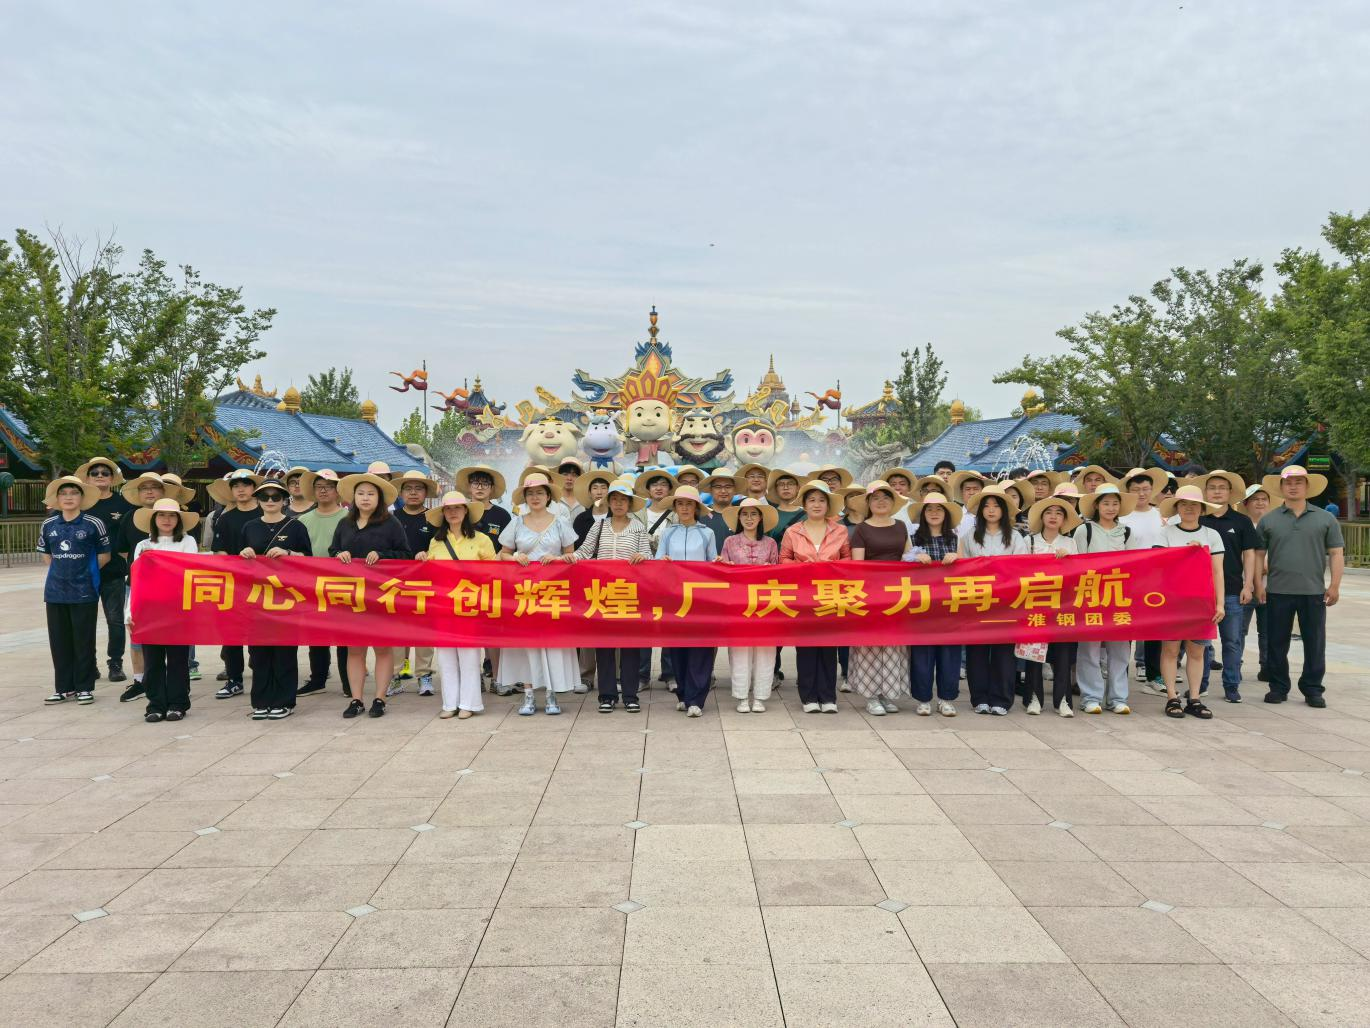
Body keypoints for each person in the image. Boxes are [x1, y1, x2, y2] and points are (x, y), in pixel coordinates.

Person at [1258, 465, 1344, 708]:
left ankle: (1313, 688)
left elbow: (1336, 553)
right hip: (1277, 591)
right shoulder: (1269, 520)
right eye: (1288, 483)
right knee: (1276, 642)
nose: (1293, 486)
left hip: (1313, 591)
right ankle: (1278, 687)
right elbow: (1258, 554)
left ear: (1307, 487)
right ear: (1282, 487)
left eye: (1298, 482)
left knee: (1315, 642)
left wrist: (1335, 585)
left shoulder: (1325, 518)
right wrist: (1257, 584)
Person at [497, 473, 579, 714]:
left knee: (552, 642)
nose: (535, 497)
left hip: (553, 591)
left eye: (540, 493)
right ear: (524, 497)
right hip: (524, 592)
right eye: (530, 493)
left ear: (548, 496)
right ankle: (529, 695)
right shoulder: (516, 522)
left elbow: (571, 557)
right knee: (527, 644)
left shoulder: (561, 522)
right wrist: (514, 556)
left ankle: (552, 694)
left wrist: (556, 559)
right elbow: (502, 553)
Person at [331, 472, 410, 718]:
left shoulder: (391, 524)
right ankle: (356, 699)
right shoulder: (345, 523)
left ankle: (380, 698)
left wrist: (383, 555)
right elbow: (333, 548)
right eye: (361, 494)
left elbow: (405, 555)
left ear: (380, 499)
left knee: (383, 649)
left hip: (380, 597)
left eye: (371, 494)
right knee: (355, 650)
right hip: (351, 597)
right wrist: (338, 554)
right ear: (353, 497)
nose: (365, 498)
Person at [572, 482, 652, 713]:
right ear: (608, 502)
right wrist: (562, 559)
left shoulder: (637, 527)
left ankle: (630, 695)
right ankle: (606, 695)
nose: (618, 503)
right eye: (614, 499)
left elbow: (648, 555)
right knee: (604, 645)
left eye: (623, 499)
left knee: (630, 646)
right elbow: (584, 552)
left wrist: (641, 556)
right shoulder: (599, 526)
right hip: (603, 593)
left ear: (629, 504)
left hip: (629, 593)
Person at [416, 490, 496, 719]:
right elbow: (429, 573)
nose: (453, 513)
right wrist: (422, 558)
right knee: (446, 656)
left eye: (458, 508)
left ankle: (469, 703)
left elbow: (494, 572)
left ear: (466, 512)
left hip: (470, 604)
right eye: (448, 509)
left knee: (469, 656)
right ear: (443, 513)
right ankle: (450, 703)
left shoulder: (482, 539)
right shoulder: (435, 541)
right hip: (443, 605)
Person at [239, 481, 311, 720]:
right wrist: (245, 554)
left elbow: (309, 561)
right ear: (258, 500)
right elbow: (235, 562)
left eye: (276, 496)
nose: (270, 501)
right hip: (257, 599)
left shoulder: (296, 527)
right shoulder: (249, 526)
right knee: (258, 654)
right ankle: (260, 701)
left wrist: (289, 554)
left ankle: (284, 701)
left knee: (284, 653)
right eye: (265, 497)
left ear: (284, 500)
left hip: (287, 599)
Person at [39, 477, 111, 705]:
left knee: (83, 640)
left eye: (73, 493)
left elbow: (105, 555)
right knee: (59, 641)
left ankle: (84, 687)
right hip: (55, 592)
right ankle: (63, 688)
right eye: (64, 493)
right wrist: (63, 574)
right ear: (58, 499)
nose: (69, 497)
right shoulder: (48, 525)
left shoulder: (93, 523)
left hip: (84, 591)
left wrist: (83, 573)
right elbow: (47, 555)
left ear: (81, 498)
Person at [1155, 486, 1225, 720]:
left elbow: (1218, 572)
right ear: (1176, 508)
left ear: (1202, 509)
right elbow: (1158, 567)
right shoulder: (1165, 534)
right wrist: (1184, 554)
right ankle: (1172, 696)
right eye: (1183, 504)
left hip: (1201, 602)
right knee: (1171, 649)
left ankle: (1194, 698)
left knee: (1197, 651)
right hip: (1172, 600)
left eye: (1194, 504)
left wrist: (1220, 603)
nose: (1189, 508)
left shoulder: (1211, 535)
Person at [780, 481, 850, 713]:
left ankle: (828, 696)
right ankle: (809, 696)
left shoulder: (840, 530)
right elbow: (782, 561)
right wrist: (800, 565)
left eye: (821, 500)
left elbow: (849, 562)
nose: (817, 504)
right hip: (803, 597)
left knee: (829, 647)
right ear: (804, 504)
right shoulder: (793, 531)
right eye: (812, 500)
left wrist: (834, 566)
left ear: (828, 504)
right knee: (807, 648)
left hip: (831, 595)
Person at [128, 498, 199, 722]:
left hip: (177, 609)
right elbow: (136, 581)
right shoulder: (142, 545)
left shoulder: (187, 542)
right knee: (153, 660)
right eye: (161, 515)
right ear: (153, 519)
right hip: (149, 610)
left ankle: (178, 703)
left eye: (171, 516)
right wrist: (129, 613)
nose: (166, 520)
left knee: (178, 659)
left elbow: (189, 570)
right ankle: (155, 704)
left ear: (178, 520)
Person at [846, 481, 913, 716]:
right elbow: (858, 565)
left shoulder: (902, 526)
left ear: (893, 502)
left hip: (897, 594)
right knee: (870, 645)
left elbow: (908, 557)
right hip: (870, 594)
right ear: (868, 503)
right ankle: (872, 695)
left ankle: (890, 692)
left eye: (886, 497)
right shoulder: (862, 529)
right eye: (875, 498)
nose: (881, 501)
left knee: (894, 644)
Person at [959, 488, 1027, 714]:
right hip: (977, 601)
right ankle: (979, 698)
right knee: (977, 652)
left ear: (1004, 510)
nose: (991, 510)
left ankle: (1001, 699)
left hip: (1006, 603)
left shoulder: (1016, 537)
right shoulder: (970, 536)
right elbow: (963, 566)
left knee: (1003, 652)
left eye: (996, 505)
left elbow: (1023, 568)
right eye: (986, 506)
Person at [1196, 471, 1261, 704]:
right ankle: (1199, 684)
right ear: (1205, 492)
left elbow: (1250, 553)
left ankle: (1232, 685)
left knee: (1232, 641)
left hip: (1233, 590)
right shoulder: (1198, 519)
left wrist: (1249, 584)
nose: (1216, 491)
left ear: (1230, 492)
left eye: (1222, 487)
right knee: (1201, 642)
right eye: (1212, 487)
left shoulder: (1241, 521)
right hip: (1201, 592)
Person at [1072, 484, 1138, 715]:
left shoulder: (1128, 532)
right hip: (1090, 595)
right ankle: (1091, 697)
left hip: (1119, 597)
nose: (1111, 508)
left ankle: (1118, 697)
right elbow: (1075, 565)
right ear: (1096, 505)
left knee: (1119, 650)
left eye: (1115, 503)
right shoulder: (1084, 531)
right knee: (1089, 648)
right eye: (1106, 503)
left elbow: (1136, 565)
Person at [656, 485, 719, 717]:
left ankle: (697, 700)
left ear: (696, 508)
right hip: (674, 600)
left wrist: (719, 563)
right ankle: (683, 694)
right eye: (680, 504)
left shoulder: (707, 533)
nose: (684, 508)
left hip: (700, 600)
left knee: (700, 650)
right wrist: (662, 560)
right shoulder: (668, 533)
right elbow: (656, 561)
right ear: (675, 507)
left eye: (689, 504)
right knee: (678, 649)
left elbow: (713, 563)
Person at [717, 497, 780, 712]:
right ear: (739, 517)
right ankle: (742, 696)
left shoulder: (771, 543)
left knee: (765, 650)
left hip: (765, 604)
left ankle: (761, 696)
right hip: (738, 604)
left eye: (754, 514)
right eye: (745, 514)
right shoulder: (729, 542)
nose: (749, 518)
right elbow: (722, 571)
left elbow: (779, 573)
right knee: (739, 650)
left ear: (761, 517)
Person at [208, 469, 263, 699]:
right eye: (236, 485)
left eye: (246, 484)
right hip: (232, 584)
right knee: (231, 634)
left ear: (254, 488)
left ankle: (262, 676)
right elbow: (219, 552)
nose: (240, 489)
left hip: (261, 585)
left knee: (259, 634)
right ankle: (234, 679)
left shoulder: (265, 514)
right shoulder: (225, 519)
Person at [1024, 496, 1081, 717]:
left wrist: (1069, 560)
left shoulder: (1070, 543)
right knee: (1034, 654)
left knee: (1063, 654)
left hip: (1063, 606)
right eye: (1049, 512)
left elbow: (1080, 575)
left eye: (1059, 513)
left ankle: (1063, 700)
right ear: (1042, 517)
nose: (1053, 516)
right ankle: (1033, 698)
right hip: (1034, 605)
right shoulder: (1029, 541)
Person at [78, 458, 132, 685]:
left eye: (105, 473)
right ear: (88, 478)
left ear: (112, 478)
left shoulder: (123, 504)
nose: (100, 476)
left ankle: (115, 663)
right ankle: (89, 665)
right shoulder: (81, 504)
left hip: (114, 573)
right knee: (84, 621)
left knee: (115, 620)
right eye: (95, 473)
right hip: (84, 574)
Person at [296, 470, 350, 696]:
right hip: (312, 585)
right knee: (316, 635)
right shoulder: (302, 520)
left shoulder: (350, 520)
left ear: (338, 491)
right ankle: (317, 678)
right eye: (319, 485)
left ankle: (349, 682)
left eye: (329, 485)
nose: (324, 489)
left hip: (342, 585)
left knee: (345, 636)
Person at [907, 493, 961, 716]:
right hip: (922, 605)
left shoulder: (956, 539)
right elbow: (902, 562)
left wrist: (956, 558)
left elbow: (969, 569)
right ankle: (923, 699)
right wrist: (914, 558)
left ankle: (947, 698)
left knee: (949, 653)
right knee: (922, 653)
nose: (934, 513)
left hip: (951, 606)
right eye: (929, 509)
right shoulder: (913, 538)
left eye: (939, 509)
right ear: (923, 514)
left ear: (946, 514)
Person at [387, 470, 440, 697]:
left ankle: (424, 675)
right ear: (401, 492)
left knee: (424, 631)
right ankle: (397, 675)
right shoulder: (390, 519)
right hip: (396, 583)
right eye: (408, 488)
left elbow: (441, 547)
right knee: (397, 632)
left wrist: (428, 555)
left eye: (418, 488)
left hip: (426, 583)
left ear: (426, 493)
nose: (413, 493)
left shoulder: (435, 519)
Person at [1120, 468, 1167, 692]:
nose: (1141, 493)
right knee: (1125, 626)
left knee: (1155, 629)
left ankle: (1154, 675)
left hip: (1156, 580)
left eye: (1146, 489)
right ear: (1128, 492)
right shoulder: (1122, 517)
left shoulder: (1161, 516)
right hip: (1127, 580)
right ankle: (1120, 674)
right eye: (1136, 489)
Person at [634, 469, 679, 687]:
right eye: (654, 485)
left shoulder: (678, 514)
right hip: (641, 577)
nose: (659, 488)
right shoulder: (637, 514)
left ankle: (670, 673)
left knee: (670, 623)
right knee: (643, 625)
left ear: (670, 489)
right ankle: (642, 675)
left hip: (669, 577)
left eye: (663, 484)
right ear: (648, 489)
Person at [1236, 484, 1274, 682]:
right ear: (1246, 504)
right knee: (1239, 629)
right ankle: (1235, 666)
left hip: (1270, 587)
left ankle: (1266, 666)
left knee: (1268, 630)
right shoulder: (1241, 524)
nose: (1260, 502)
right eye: (1255, 499)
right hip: (1244, 586)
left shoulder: (1274, 524)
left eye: (1263, 499)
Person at [571, 469, 615, 546]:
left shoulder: (616, 517)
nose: (599, 492)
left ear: (609, 492)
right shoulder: (581, 519)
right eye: (595, 488)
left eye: (603, 488)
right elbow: (576, 546)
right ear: (589, 493)